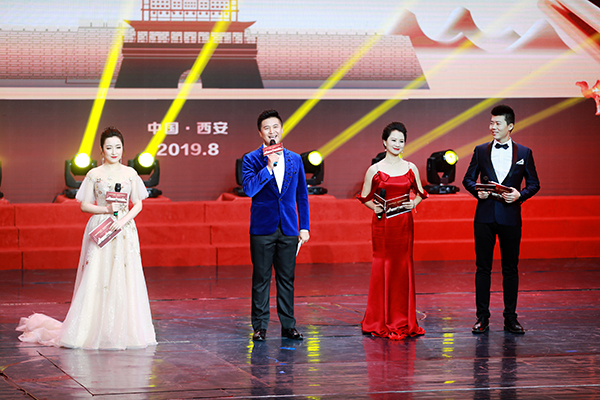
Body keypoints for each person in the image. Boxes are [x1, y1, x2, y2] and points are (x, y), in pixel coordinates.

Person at [16, 127, 157, 350]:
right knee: (96, 275)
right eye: (109, 147)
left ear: (123, 149)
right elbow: (84, 205)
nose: (114, 152)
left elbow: (138, 204)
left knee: (125, 275)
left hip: (124, 229)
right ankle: (90, 329)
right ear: (101, 150)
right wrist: (106, 210)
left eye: (118, 147)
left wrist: (123, 220)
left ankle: (124, 331)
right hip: (101, 225)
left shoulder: (130, 173)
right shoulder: (94, 174)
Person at [462, 105, 540, 334]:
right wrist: (477, 191)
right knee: (482, 268)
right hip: (485, 216)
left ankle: (510, 318)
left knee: (511, 269)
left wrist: (520, 195)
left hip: (510, 217)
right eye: (491, 123)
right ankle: (482, 318)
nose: (492, 127)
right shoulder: (480, 150)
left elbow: (534, 183)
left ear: (510, 126)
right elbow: (468, 179)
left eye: (497, 123)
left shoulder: (524, 153)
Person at [242, 109, 310, 341]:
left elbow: (302, 195)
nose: (272, 131)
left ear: (282, 129)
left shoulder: (295, 159)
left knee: (286, 279)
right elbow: (249, 189)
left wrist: (304, 226)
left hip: (289, 227)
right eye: (266, 128)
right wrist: (269, 168)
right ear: (260, 133)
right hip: (262, 228)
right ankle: (260, 327)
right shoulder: (251, 159)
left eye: (275, 127)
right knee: (261, 278)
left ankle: (288, 326)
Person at [357, 121, 427, 340]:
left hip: (404, 224)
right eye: (394, 140)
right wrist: (375, 207)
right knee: (383, 266)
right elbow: (364, 197)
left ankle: (403, 319)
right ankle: (379, 319)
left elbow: (421, 193)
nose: (398, 144)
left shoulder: (411, 167)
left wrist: (413, 203)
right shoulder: (375, 169)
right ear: (384, 142)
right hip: (383, 225)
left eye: (401, 141)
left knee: (402, 267)